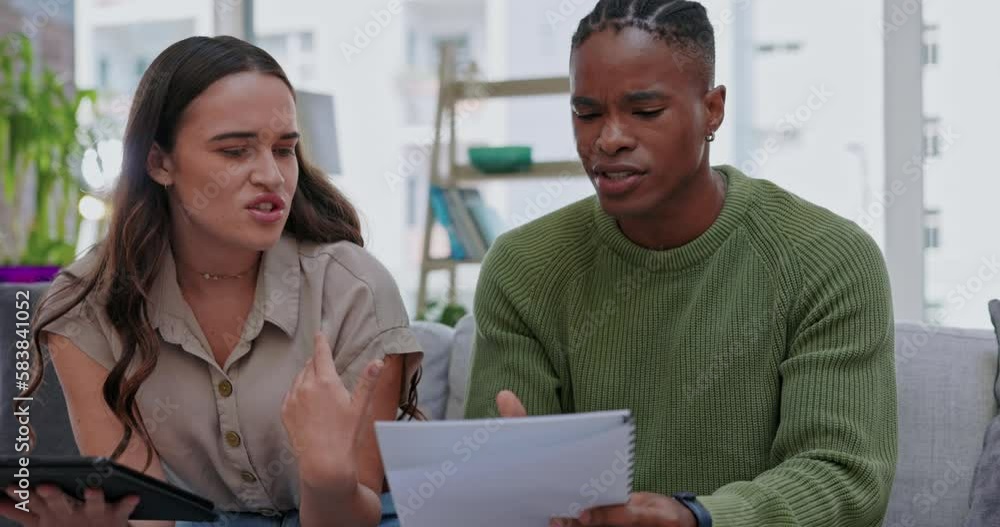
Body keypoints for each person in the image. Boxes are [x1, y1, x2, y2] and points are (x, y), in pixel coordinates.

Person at [464, 1, 897, 526]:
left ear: (712, 109)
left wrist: (696, 519)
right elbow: (498, 499)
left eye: (644, 112)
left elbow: (844, 476)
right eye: (587, 113)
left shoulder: (828, 258)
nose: (609, 138)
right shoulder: (524, 267)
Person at [0, 36, 422, 527]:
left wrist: (328, 480)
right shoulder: (86, 302)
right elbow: (147, 515)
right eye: (235, 150)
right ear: (159, 162)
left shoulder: (356, 288)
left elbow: (354, 516)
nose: (271, 176)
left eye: (284, 150)